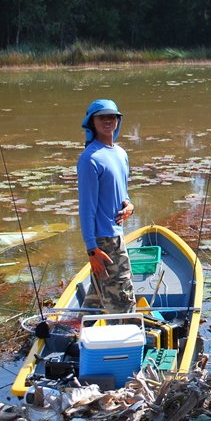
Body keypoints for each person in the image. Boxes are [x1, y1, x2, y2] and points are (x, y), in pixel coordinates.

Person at [77, 99, 135, 312]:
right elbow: (86, 207)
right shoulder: (90, 159)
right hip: (104, 242)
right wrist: (92, 249)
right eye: (102, 117)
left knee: (97, 296)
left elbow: (122, 193)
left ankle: (77, 333)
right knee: (123, 300)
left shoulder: (121, 153)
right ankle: (126, 340)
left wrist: (130, 206)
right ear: (91, 122)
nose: (108, 121)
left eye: (112, 116)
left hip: (117, 234)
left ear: (118, 121)